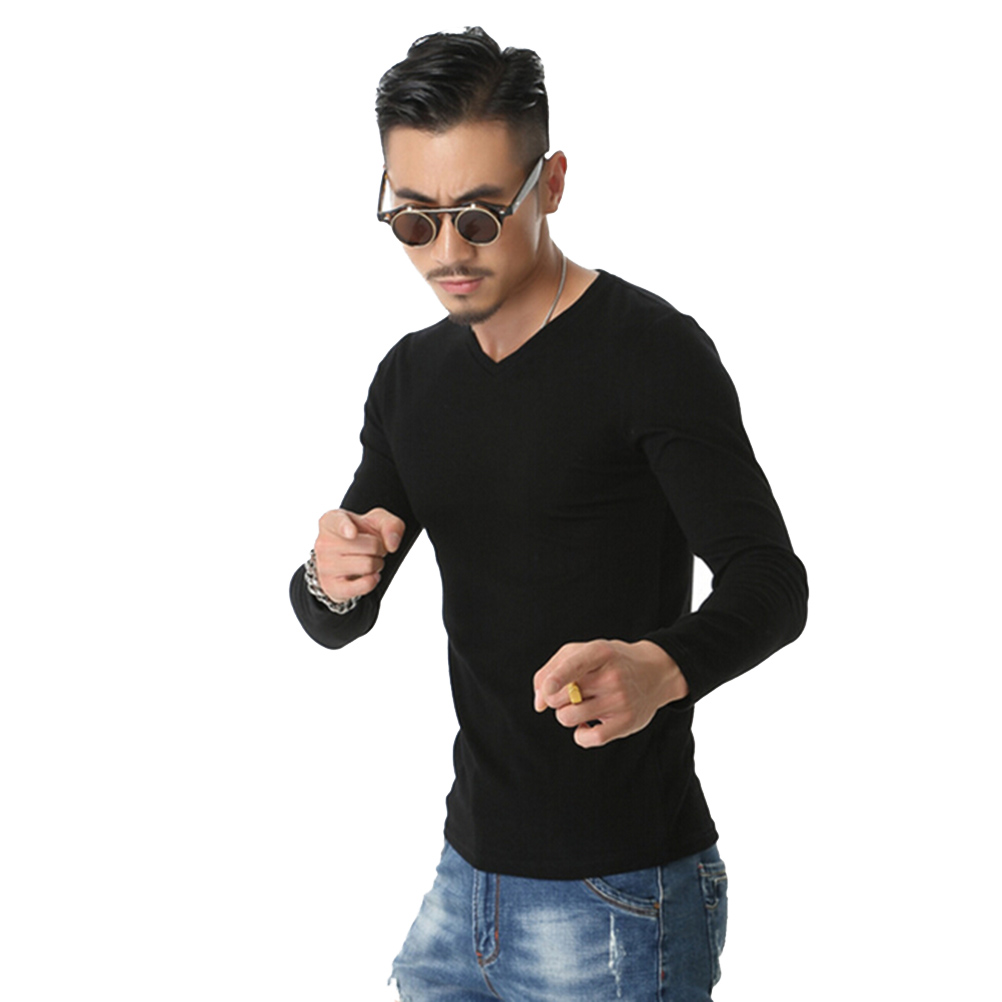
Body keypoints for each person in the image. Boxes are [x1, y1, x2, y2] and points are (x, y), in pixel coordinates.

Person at [289, 26, 807, 1001]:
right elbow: (332, 616)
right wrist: (332, 574)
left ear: (552, 183)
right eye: (414, 220)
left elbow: (772, 582)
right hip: (463, 883)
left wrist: (663, 668)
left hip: (620, 899)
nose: (449, 252)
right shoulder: (411, 379)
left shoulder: (651, 353)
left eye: (481, 216)